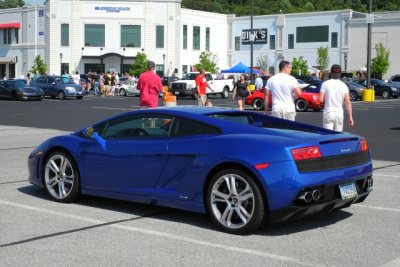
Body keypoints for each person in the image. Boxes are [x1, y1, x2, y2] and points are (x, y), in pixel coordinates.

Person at [318, 64, 354, 131]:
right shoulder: (344, 86)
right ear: (340, 74)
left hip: (328, 112)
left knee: (328, 136)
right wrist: (350, 117)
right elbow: (348, 102)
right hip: (339, 113)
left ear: (331, 73)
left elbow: (320, 99)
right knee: (338, 137)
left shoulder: (325, 84)